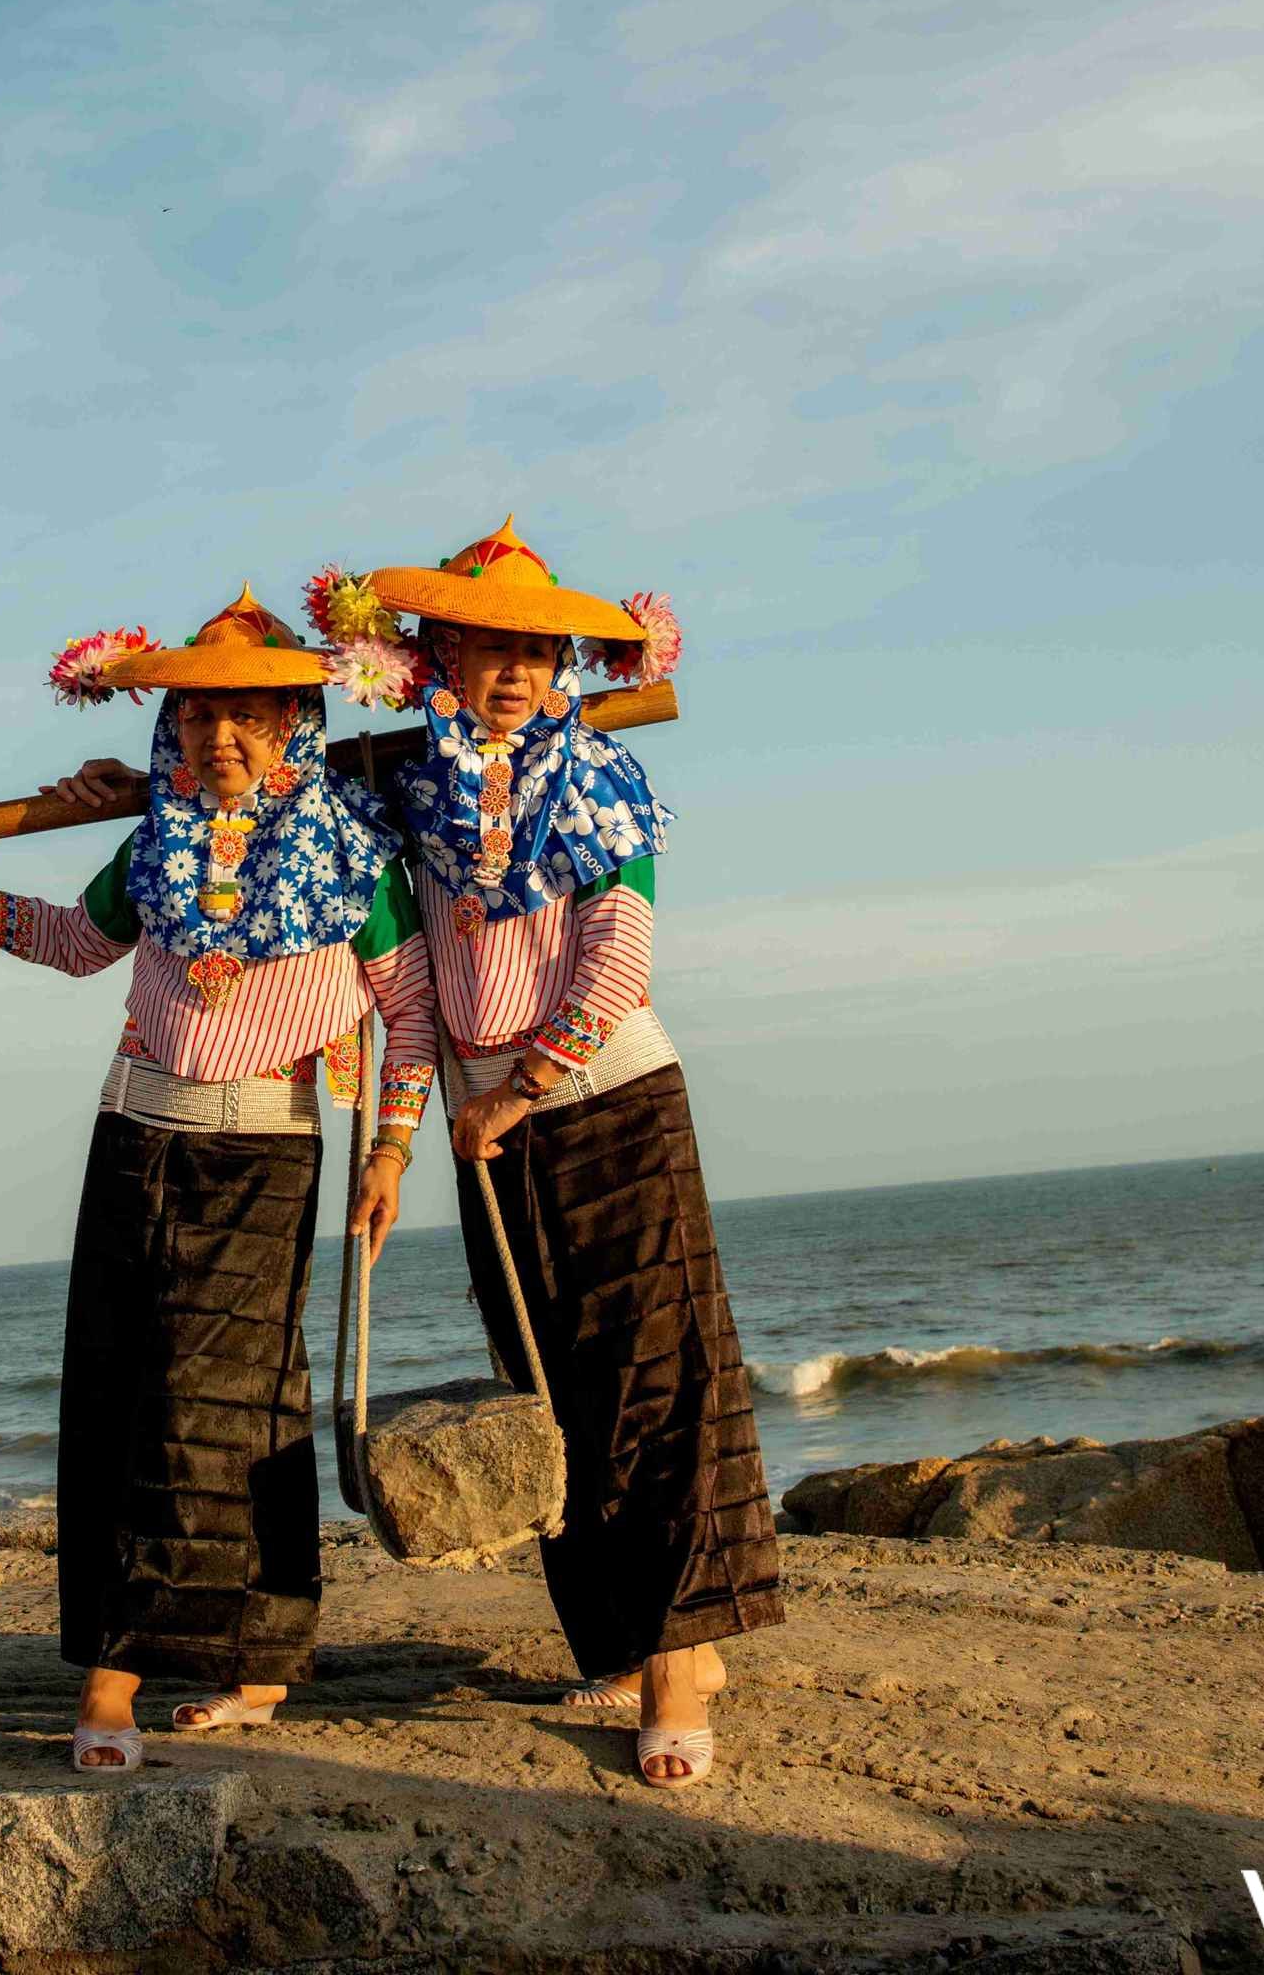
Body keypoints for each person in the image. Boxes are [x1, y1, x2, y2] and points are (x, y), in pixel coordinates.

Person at [0, 587, 438, 1773]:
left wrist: (393, 1148)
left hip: (268, 1147)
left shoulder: (356, 849)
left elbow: (409, 1012)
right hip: (131, 1135)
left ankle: (117, 1677)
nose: (220, 737)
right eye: (199, 715)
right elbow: (73, 945)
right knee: (121, 1393)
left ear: (294, 720)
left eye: (249, 712)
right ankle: (255, 1660)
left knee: (206, 1405)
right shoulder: (152, 844)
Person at [327, 518, 783, 1787]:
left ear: (565, 659)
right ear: (438, 655)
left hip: (610, 1100)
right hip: (484, 1130)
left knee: (658, 1377)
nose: (513, 669)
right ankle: (625, 1637)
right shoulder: (403, 795)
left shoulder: (601, 779)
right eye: (486, 645)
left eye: (536, 648)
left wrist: (527, 1083)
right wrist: (393, 1142)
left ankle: (684, 1661)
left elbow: (619, 958)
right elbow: (406, 999)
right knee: (554, 1383)